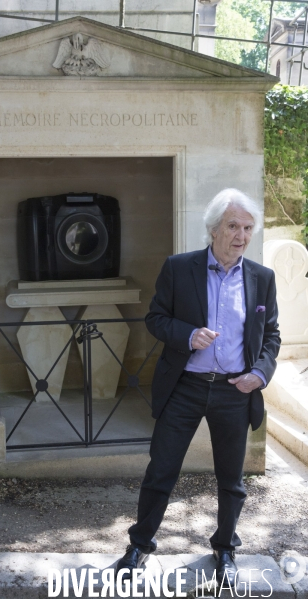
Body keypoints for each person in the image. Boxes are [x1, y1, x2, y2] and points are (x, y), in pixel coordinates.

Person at [115, 188, 281, 586]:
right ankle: (139, 545)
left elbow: (271, 334)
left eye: (247, 228)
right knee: (162, 469)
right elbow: (155, 319)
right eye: (232, 226)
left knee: (231, 478)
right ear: (214, 229)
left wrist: (259, 374)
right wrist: (188, 335)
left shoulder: (262, 277)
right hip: (185, 387)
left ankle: (225, 548)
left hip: (234, 391)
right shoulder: (179, 267)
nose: (241, 235)